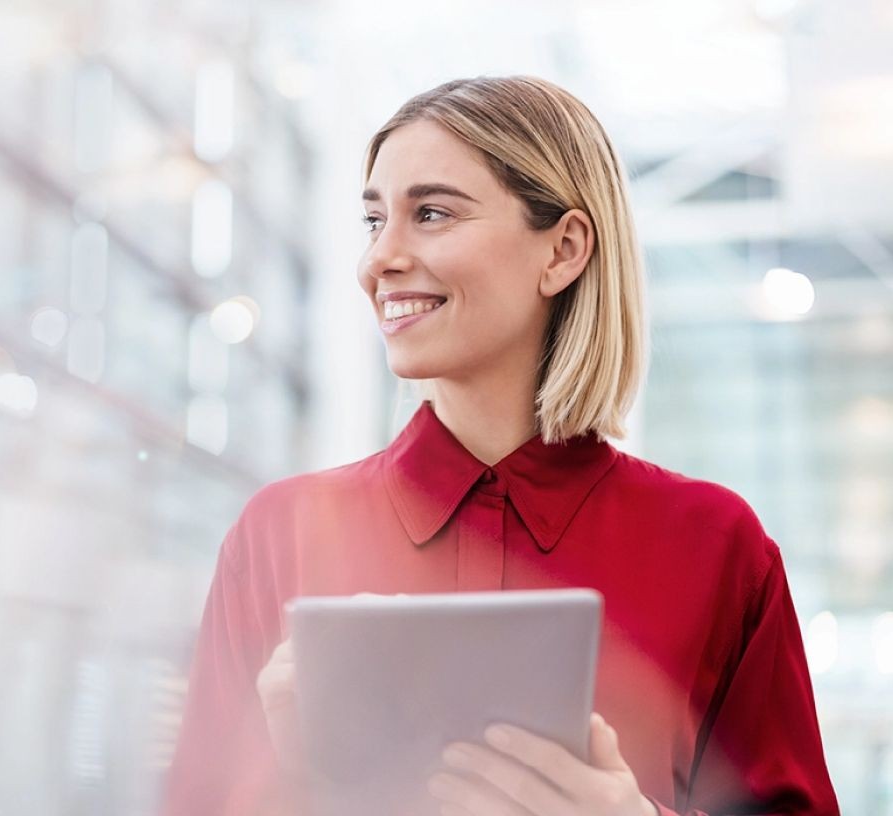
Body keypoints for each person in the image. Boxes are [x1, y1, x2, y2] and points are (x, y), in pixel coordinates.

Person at [160, 75, 840, 816]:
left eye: (430, 213)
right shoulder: (279, 535)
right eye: (372, 220)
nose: (377, 261)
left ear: (564, 250)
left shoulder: (714, 548)